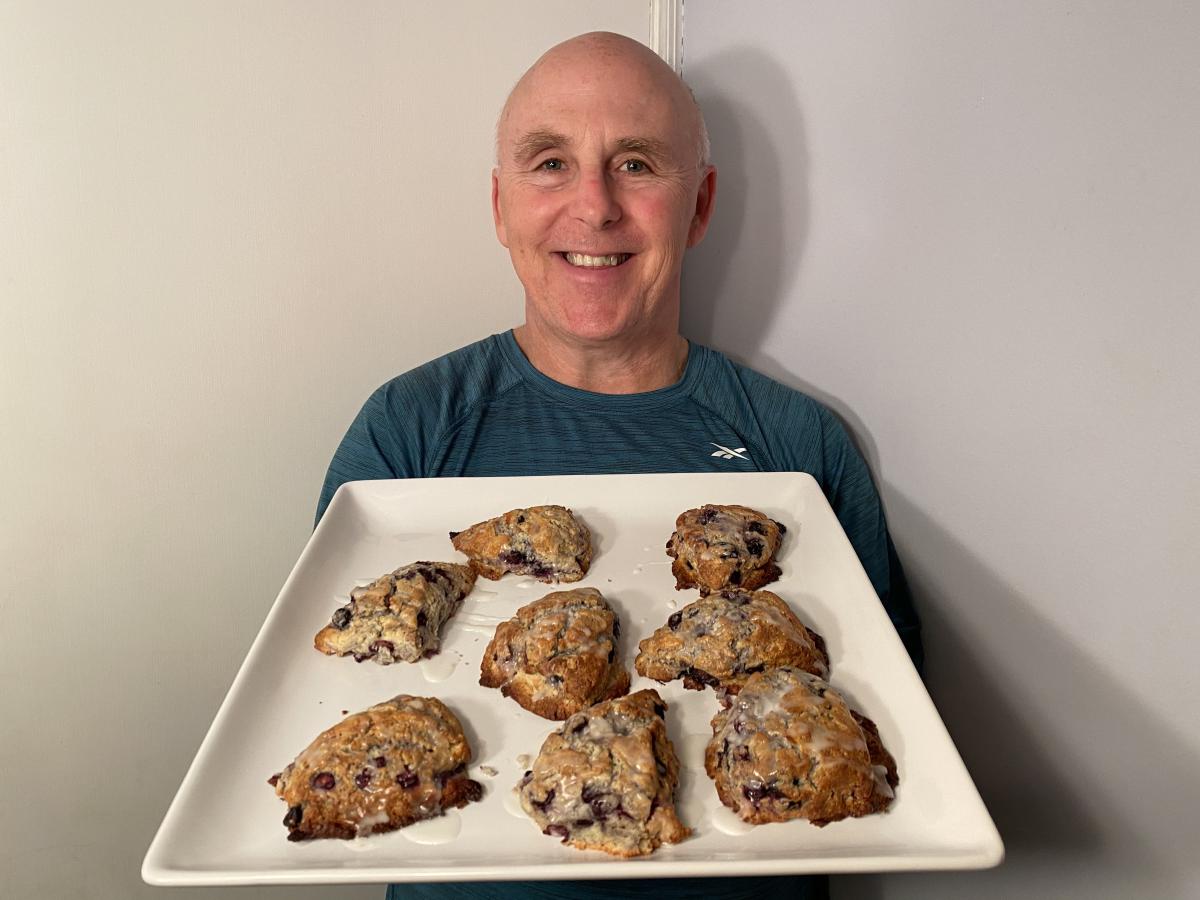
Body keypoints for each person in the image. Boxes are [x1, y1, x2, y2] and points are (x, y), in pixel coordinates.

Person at [317, 31, 922, 900]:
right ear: (500, 204)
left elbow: (893, 721)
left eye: (637, 164)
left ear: (700, 205)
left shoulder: (802, 448)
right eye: (550, 162)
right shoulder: (407, 431)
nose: (594, 206)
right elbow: (329, 691)